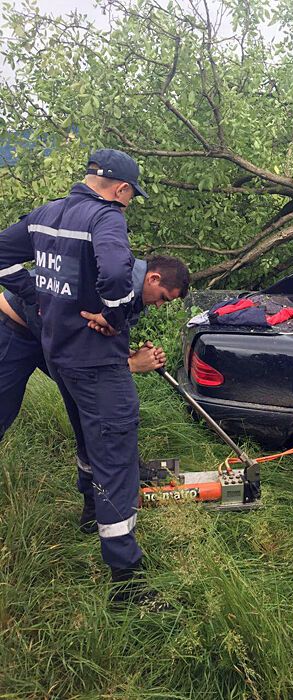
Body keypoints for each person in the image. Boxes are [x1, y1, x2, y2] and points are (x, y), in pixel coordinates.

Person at [0, 148, 185, 606]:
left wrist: (37, 296)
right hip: (73, 357)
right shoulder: (107, 219)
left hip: (58, 353)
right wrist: (114, 317)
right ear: (122, 190)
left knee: (88, 435)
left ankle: (90, 511)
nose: (128, 203)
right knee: (116, 452)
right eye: (131, 196)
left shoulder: (47, 214)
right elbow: (117, 275)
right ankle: (127, 582)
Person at [0, 255, 190, 445]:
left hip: (47, 334)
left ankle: (110, 467)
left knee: (92, 401)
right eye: (162, 298)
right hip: (14, 329)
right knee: (4, 407)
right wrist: (130, 364)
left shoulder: (133, 292)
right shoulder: (113, 280)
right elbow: (80, 340)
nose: (159, 305)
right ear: (153, 278)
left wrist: (125, 352)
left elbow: (97, 334)